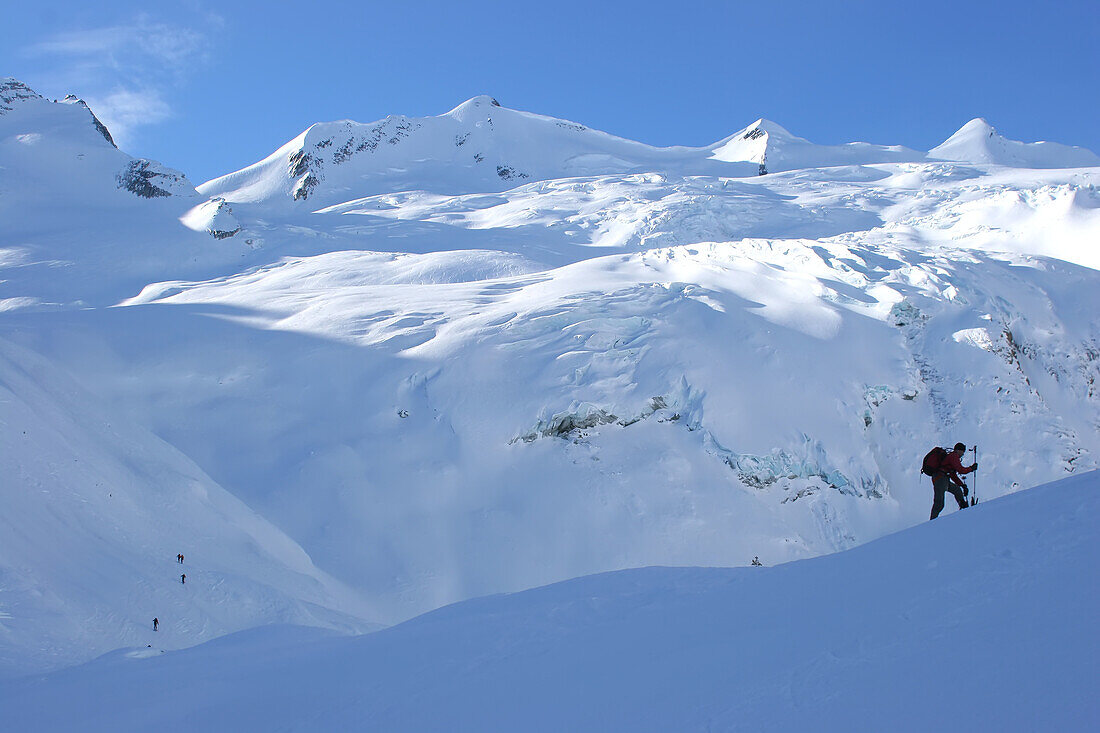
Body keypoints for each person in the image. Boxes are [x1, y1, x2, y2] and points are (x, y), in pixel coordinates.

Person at [930, 442, 977, 519]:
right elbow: (961, 470)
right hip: (940, 479)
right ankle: (932, 522)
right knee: (939, 503)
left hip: (943, 479)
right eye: (962, 452)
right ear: (958, 450)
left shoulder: (952, 457)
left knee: (957, 490)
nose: (962, 454)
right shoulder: (954, 456)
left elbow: (953, 475)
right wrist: (971, 468)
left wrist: (962, 485)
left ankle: (964, 508)